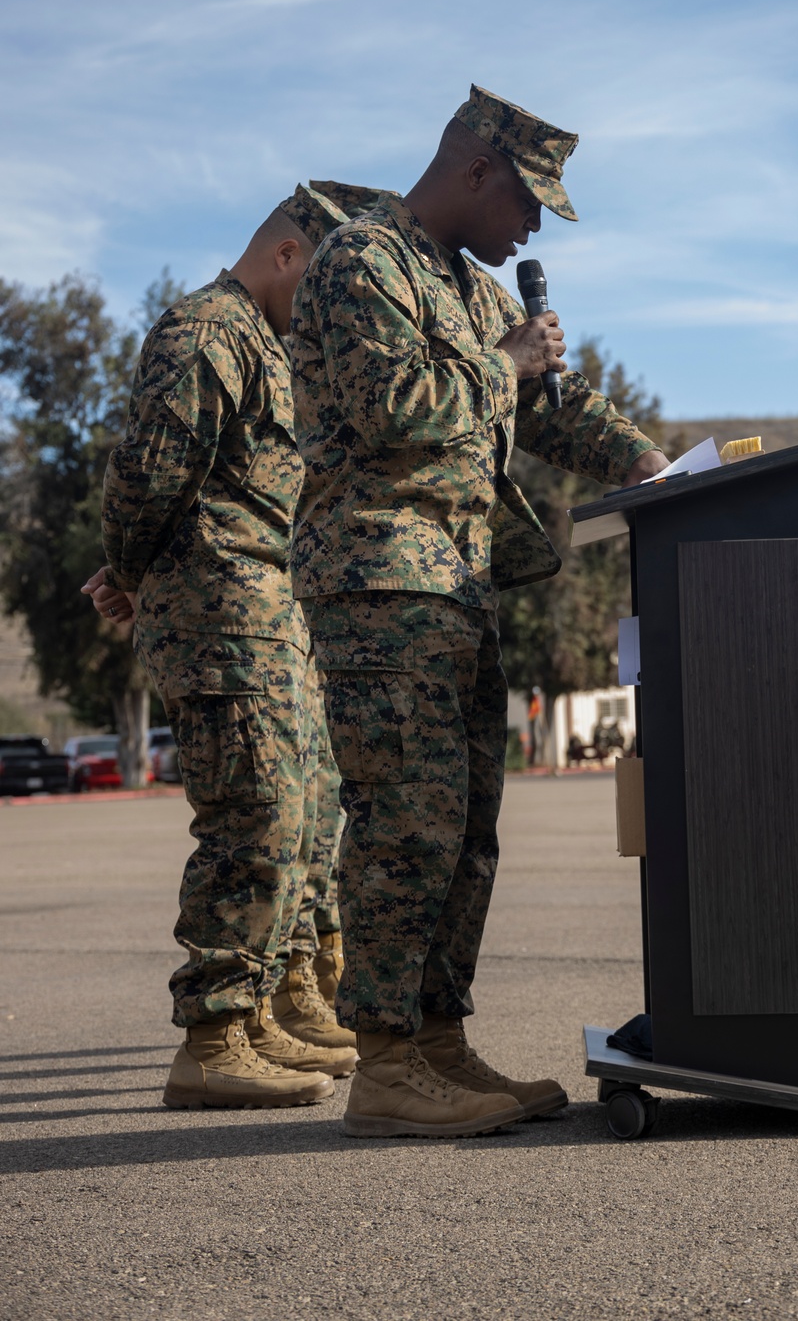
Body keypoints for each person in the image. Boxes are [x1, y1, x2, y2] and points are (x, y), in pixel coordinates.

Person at [290, 85, 669, 1138]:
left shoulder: (462, 285)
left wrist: (648, 465)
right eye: (529, 203)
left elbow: (552, 402)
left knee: (464, 834)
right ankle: (385, 1065)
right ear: (474, 173)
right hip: (379, 584)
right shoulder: (361, 264)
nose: (533, 228)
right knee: (405, 830)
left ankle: (438, 1041)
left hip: (454, 586)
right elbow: (400, 412)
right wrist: (507, 363)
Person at [92, 183, 376, 1109]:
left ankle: (267, 1011)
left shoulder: (265, 342)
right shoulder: (209, 331)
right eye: (325, 290)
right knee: (251, 813)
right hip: (219, 609)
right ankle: (213, 1037)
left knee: (296, 813)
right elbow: (146, 478)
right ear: (289, 256)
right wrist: (131, 574)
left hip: (264, 604)